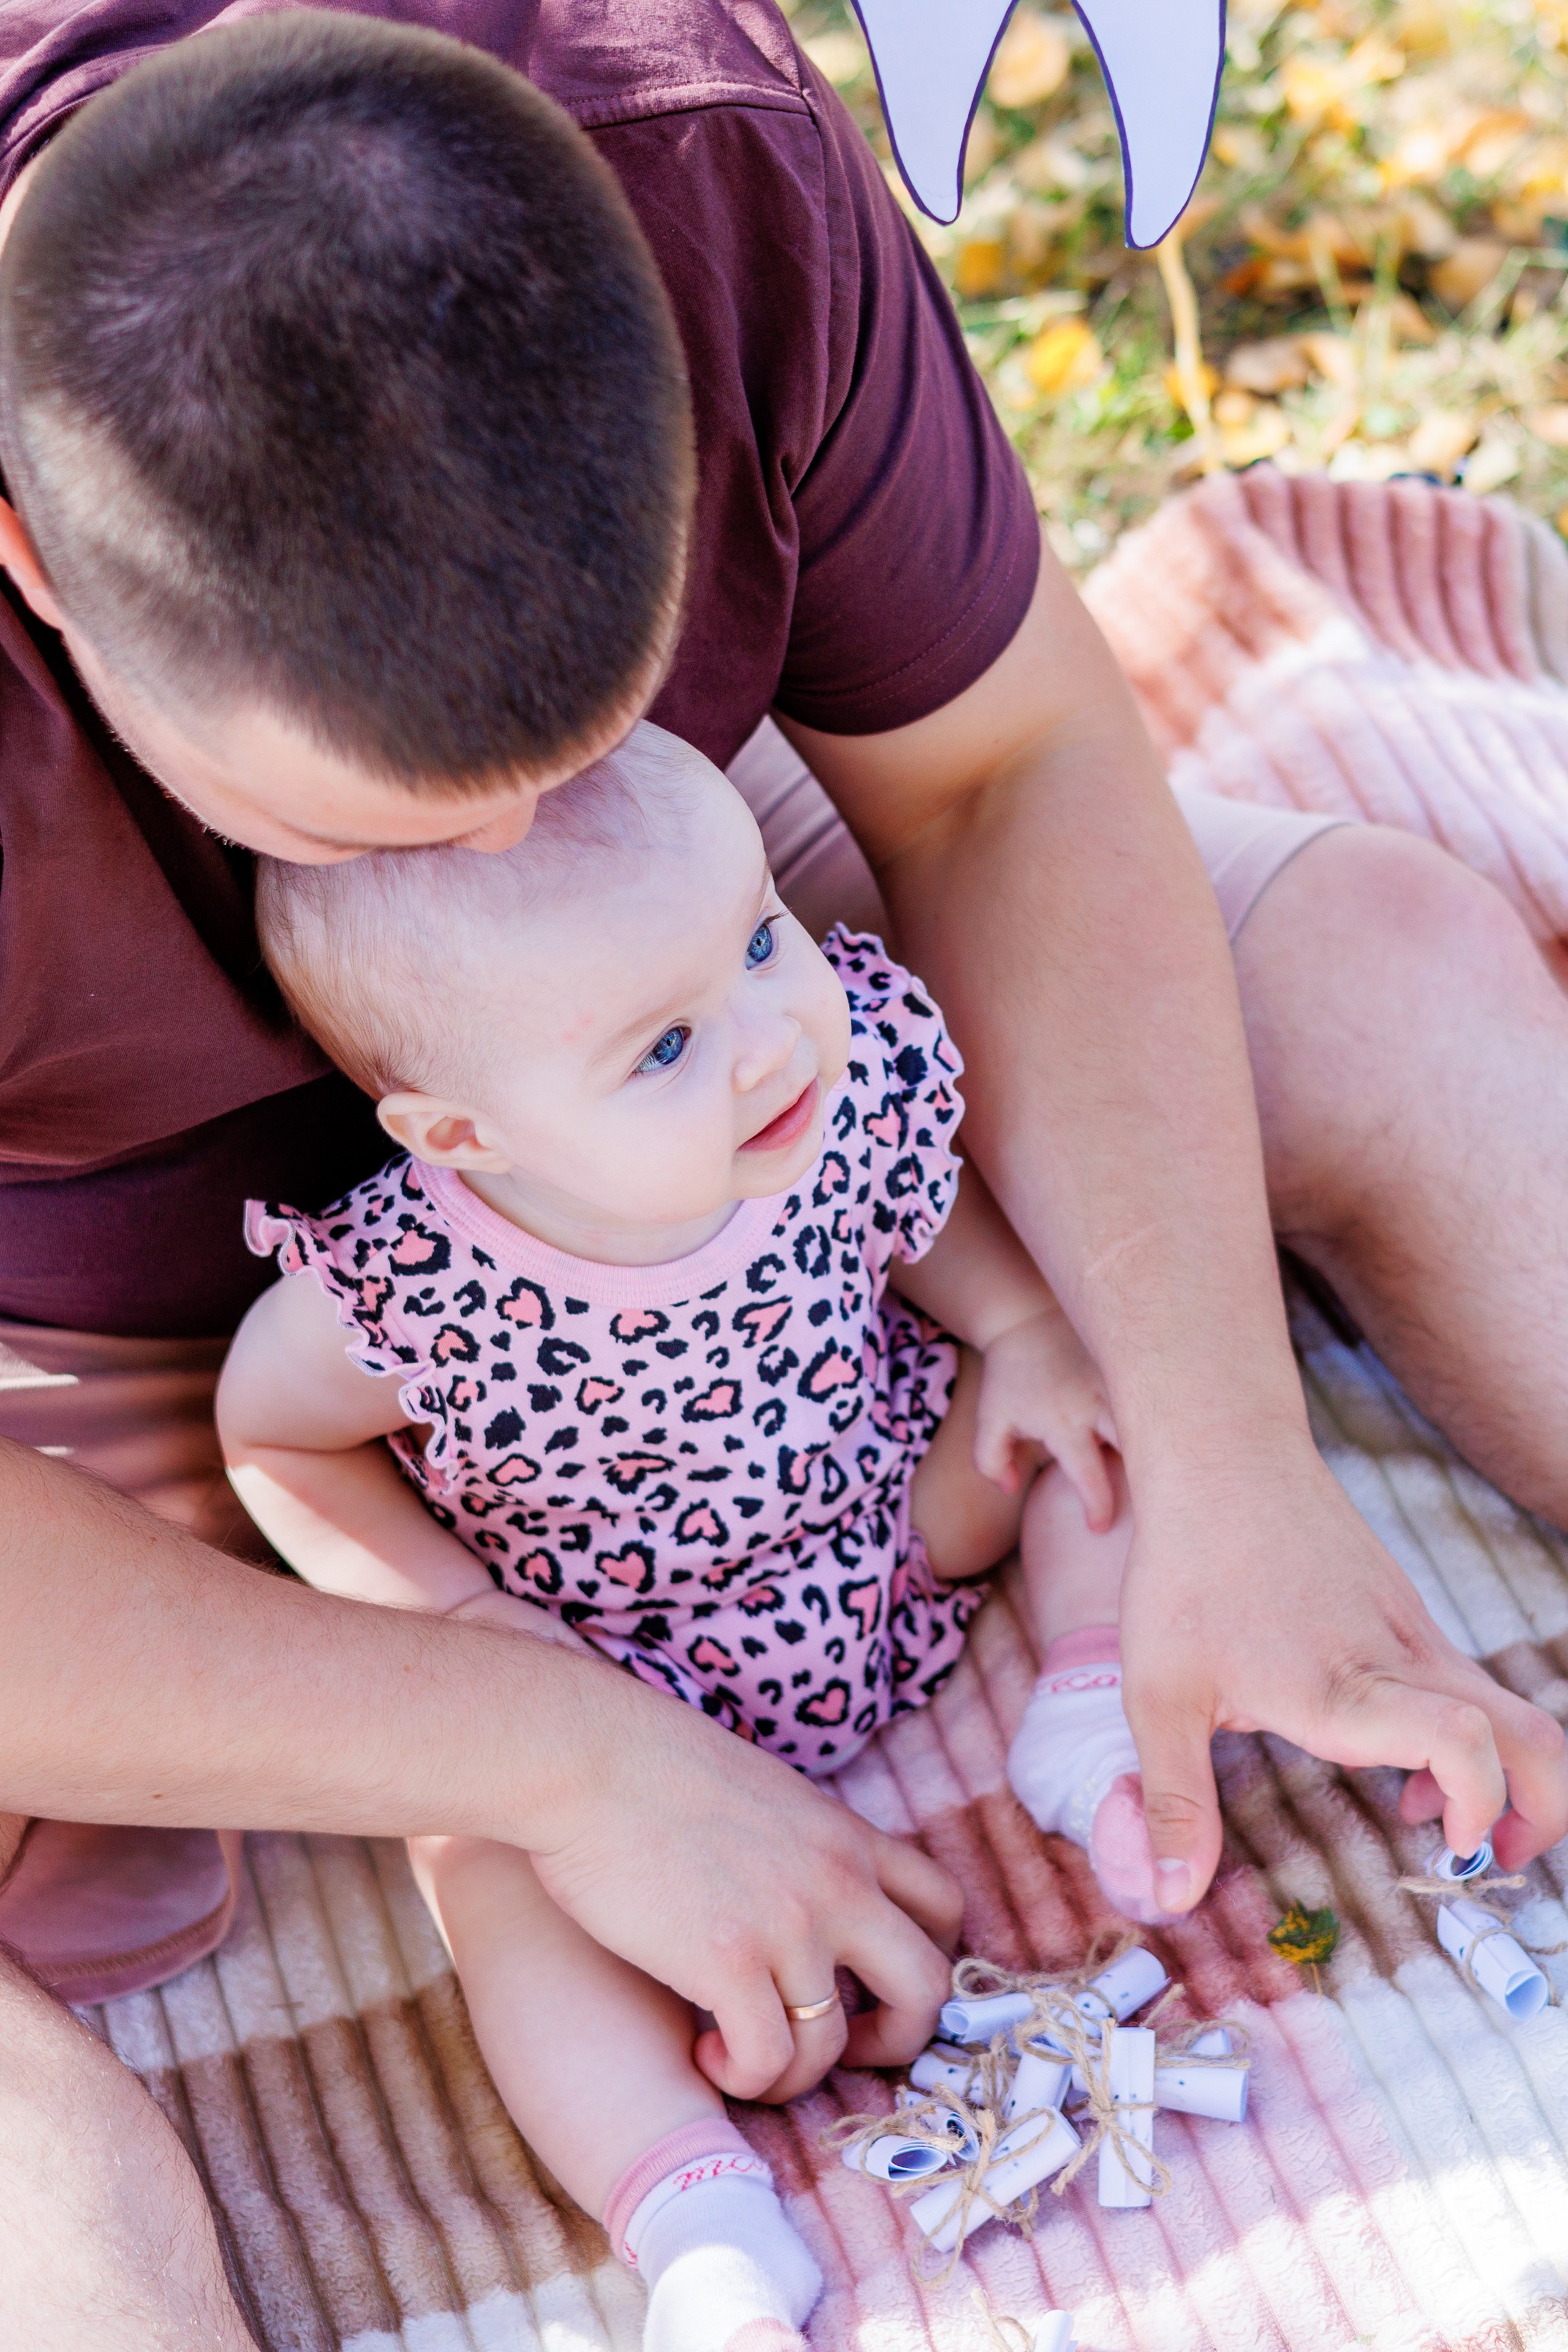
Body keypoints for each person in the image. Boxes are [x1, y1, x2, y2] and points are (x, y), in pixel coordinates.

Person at [0, 5, 1565, 2343]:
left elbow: (1011, 770)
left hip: (705, 972)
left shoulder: (700, 151)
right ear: (32, 558)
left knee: (1385, 967)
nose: (500, 856)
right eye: (371, 828)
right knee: (61, 2243)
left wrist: (1221, 1442)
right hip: (93, 1322)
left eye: (586, 729)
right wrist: (552, 1750)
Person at [220, 722, 1153, 2351]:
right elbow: (272, 1443)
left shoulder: (820, 1075)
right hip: (612, 1668)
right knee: (481, 1864)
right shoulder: (415, 1290)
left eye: (761, 938)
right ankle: (695, 2215)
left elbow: (922, 1213)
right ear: (462, 1137)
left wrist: (1018, 1327)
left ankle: (1087, 1699)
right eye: (661, 1048)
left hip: (881, 1518)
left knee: (1083, 1422)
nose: (764, 1042)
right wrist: (458, 1626)